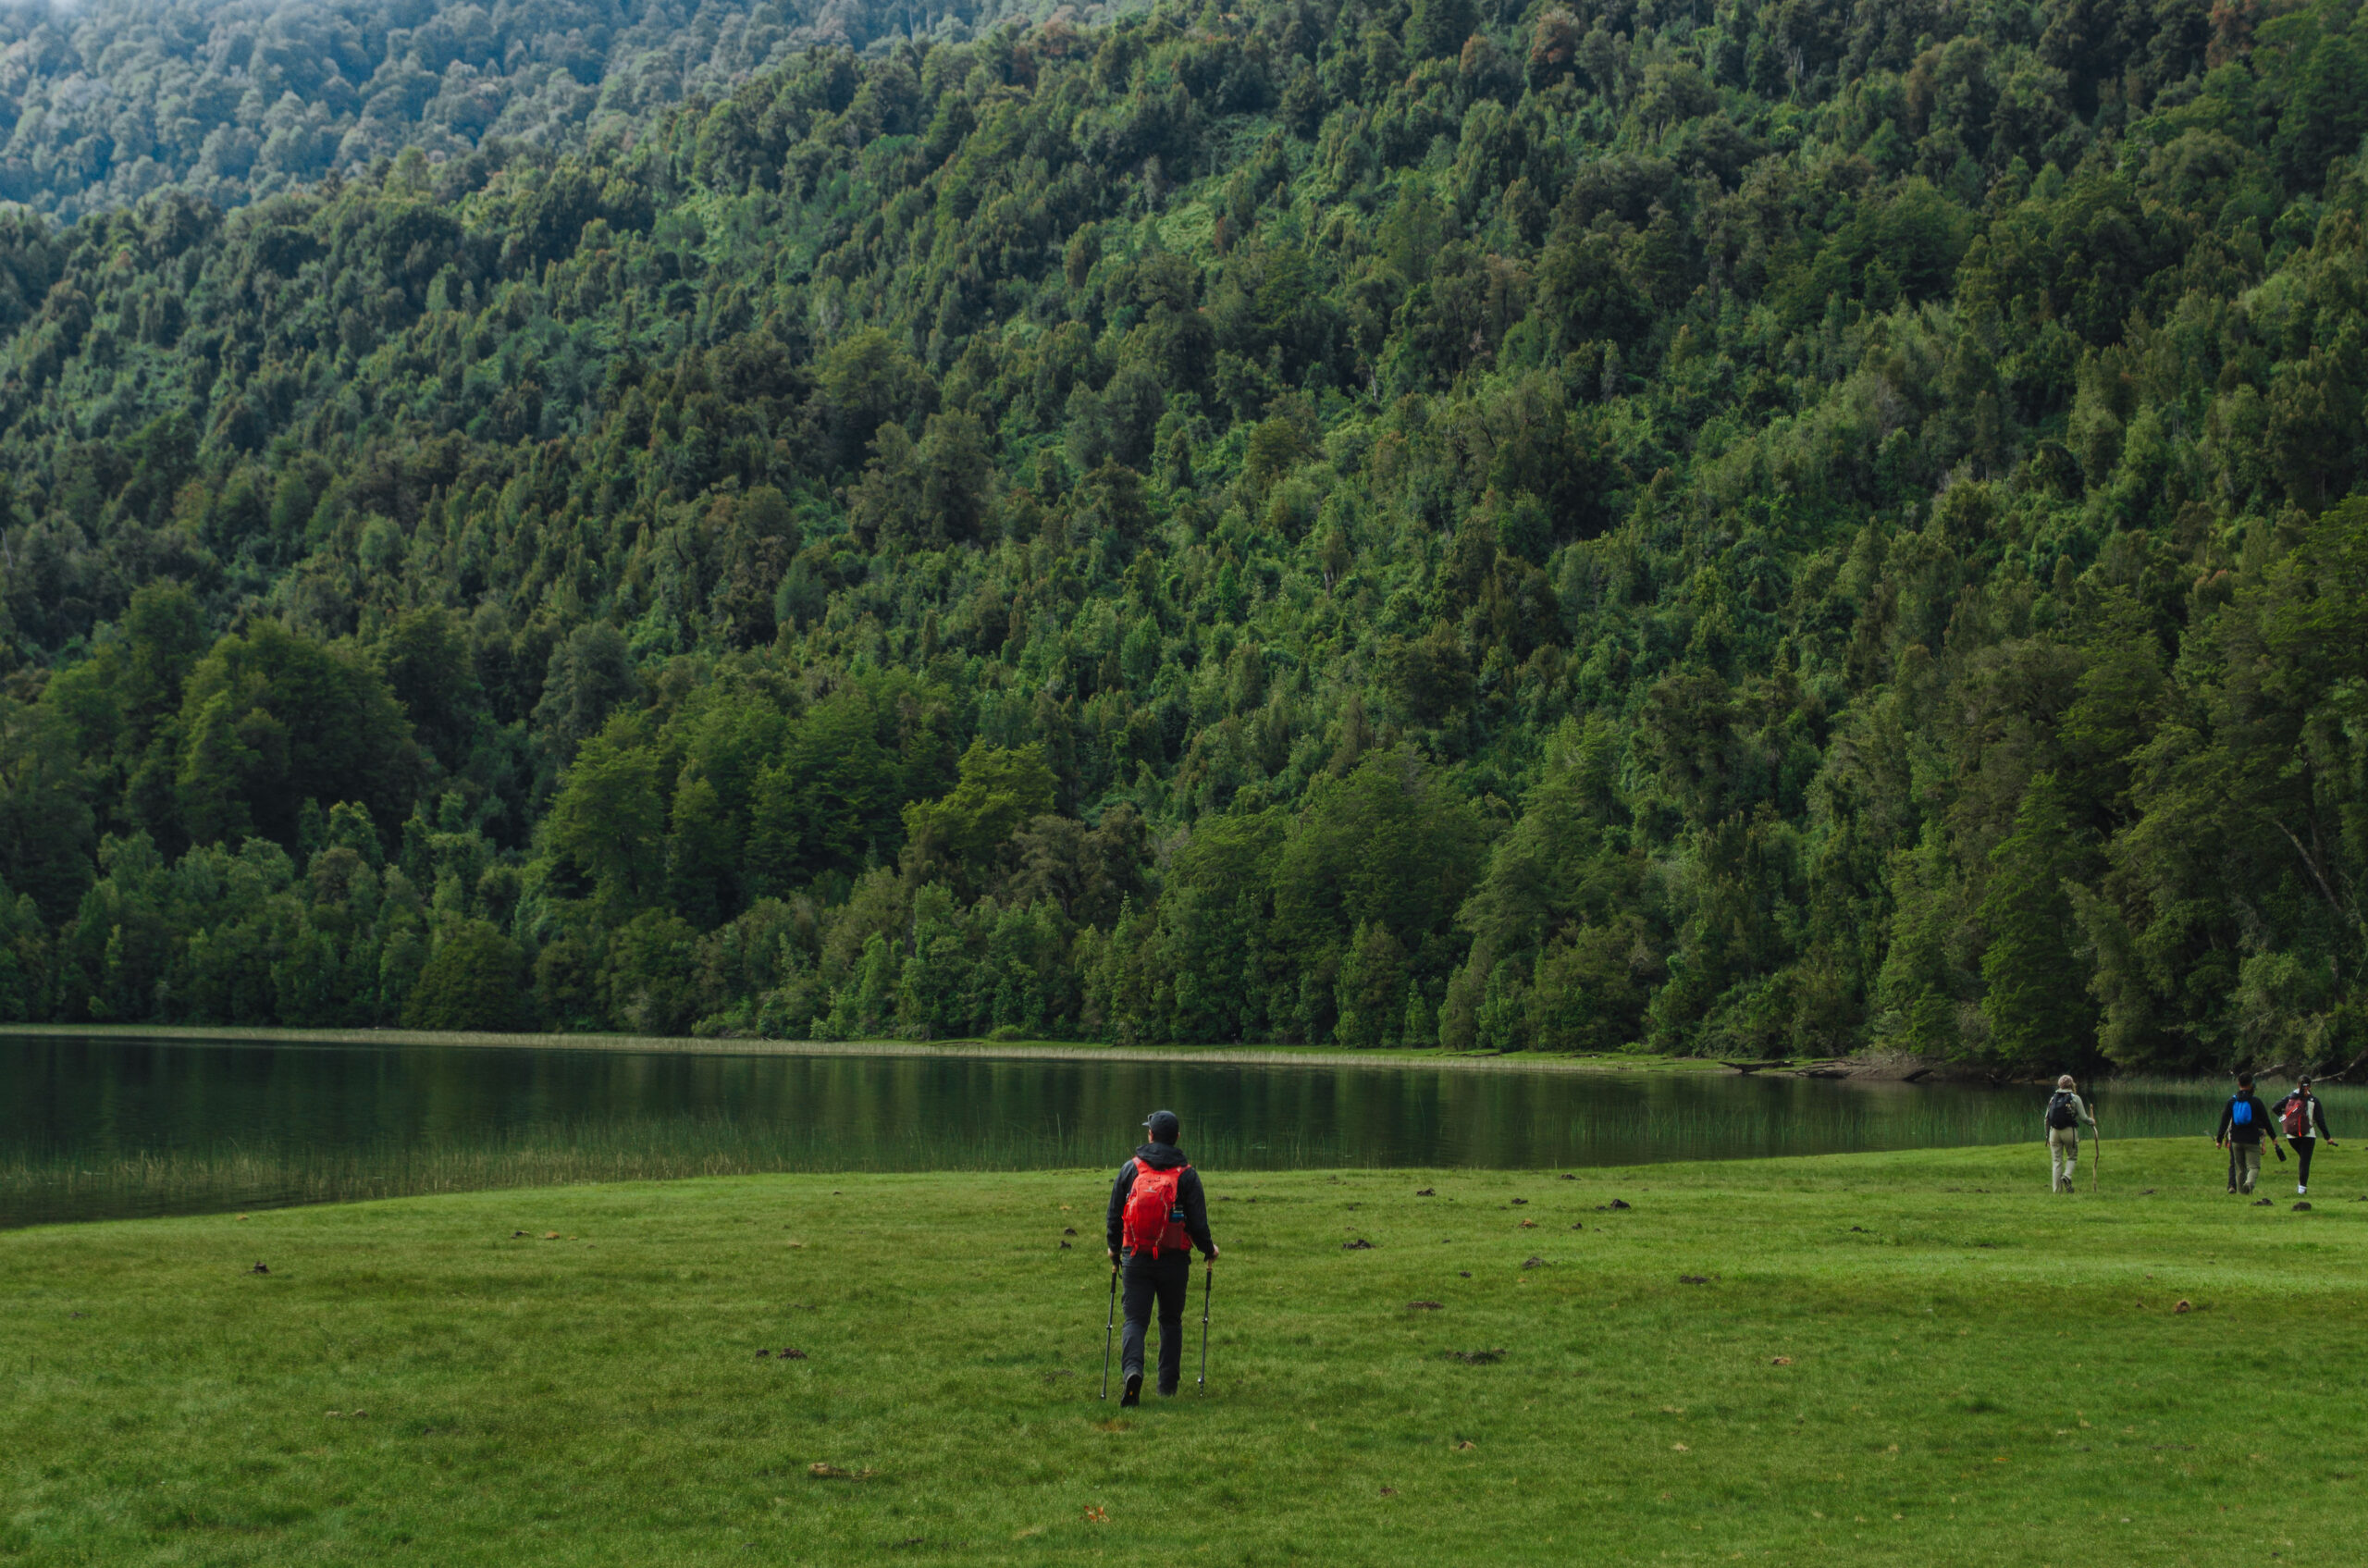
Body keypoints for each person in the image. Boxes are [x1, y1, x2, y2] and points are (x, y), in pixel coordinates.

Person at [1104, 1109, 1218, 1407]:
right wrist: (1209, 1250)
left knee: (1134, 1321)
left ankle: (1132, 1372)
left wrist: (1114, 1248)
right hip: (1174, 1260)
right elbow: (1198, 1223)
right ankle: (1166, 1387)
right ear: (1177, 1137)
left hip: (1135, 1257)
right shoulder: (1187, 1175)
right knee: (1170, 1320)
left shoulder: (1131, 1169)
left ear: (1150, 1135)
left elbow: (1115, 1213)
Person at [2215, 1072, 2283, 1195]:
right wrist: (2273, 1138)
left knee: (2240, 1168)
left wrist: (2219, 1139)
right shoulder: (2256, 1101)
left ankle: (2242, 1193)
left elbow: (2224, 1122)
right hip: (2252, 1139)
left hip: (2236, 1139)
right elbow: (2266, 1122)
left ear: (2238, 1084)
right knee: (2254, 1167)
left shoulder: (2232, 1101)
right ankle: (2249, 1184)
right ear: (2251, 1084)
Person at [2275, 1076, 2337, 1196]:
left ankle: (2301, 1186)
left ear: (2298, 1085)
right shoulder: (2313, 1100)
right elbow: (2320, 1120)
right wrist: (2327, 1137)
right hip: (2308, 1135)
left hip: (2291, 1136)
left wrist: (2284, 1117)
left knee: (2303, 1159)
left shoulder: (2290, 1097)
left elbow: (2275, 1107)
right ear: (2310, 1086)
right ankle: (2302, 1189)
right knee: (2305, 1161)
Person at [2043, 1074, 2098, 1192]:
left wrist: (2047, 1136)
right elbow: (2083, 1118)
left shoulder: (2053, 1098)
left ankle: (2057, 1191)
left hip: (2054, 1132)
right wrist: (2092, 1121)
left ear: (2060, 1085)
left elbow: (2047, 1118)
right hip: (2069, 1131)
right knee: (2072, 1156)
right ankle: (2067, 1176)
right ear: (2071, 1084)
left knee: (2057, 1161)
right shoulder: (2075, 1098)